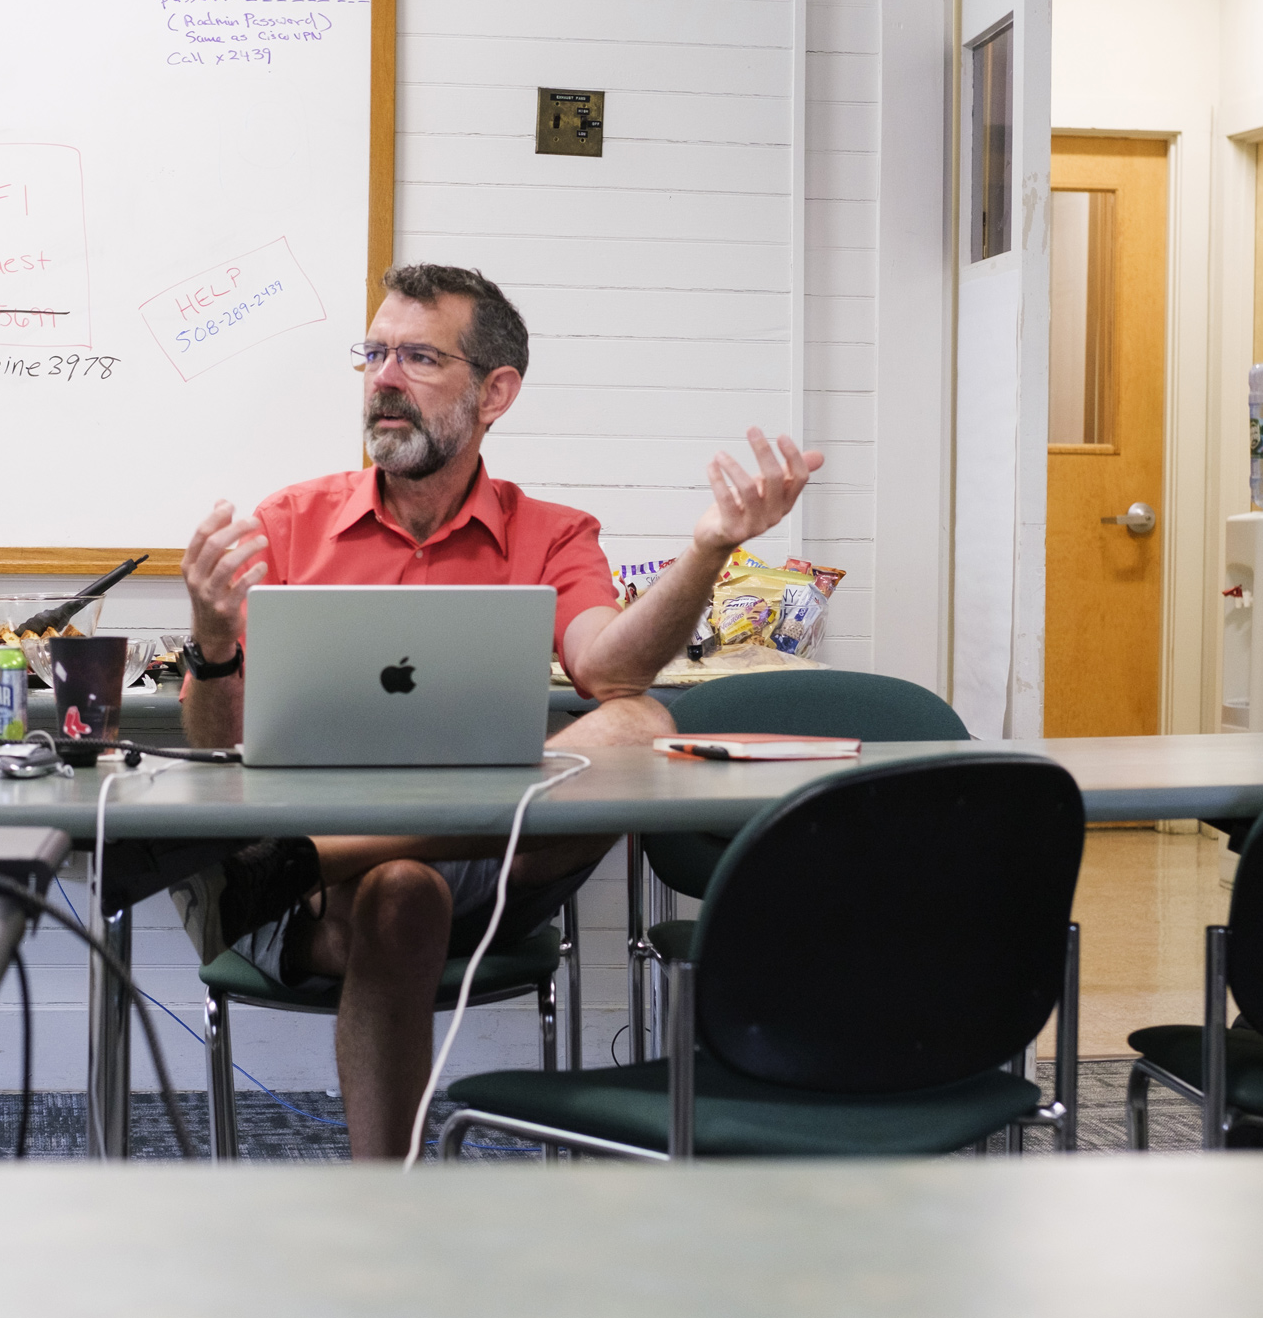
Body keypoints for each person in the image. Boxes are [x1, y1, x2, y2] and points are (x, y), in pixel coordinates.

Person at [160, 263, 822, 1159]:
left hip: (473, 867)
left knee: (641, 723)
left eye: (420, 357)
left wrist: (706, 553)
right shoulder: (288, 523)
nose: (384, 377)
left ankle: (322, 857)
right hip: (321, 895)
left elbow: (610, 670)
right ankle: (384, 1202)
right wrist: (211, 635)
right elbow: (219, 750)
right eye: (375, 353)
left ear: (494, 392)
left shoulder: (551, 532)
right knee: (399, 892)